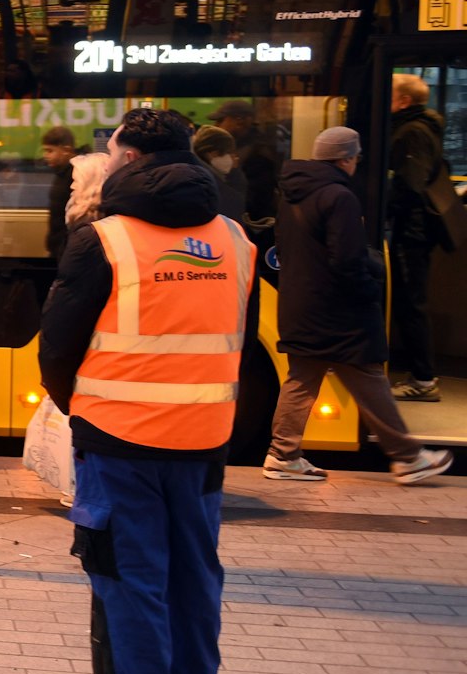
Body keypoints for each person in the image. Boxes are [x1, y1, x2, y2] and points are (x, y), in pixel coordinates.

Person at [38, 107, 258, 674]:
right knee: (196, 572)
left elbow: (57, 347)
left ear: (129, 159)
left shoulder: (104, 240)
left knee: (129, 580)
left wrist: (78, 407)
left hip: (118, 441)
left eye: (111, 153)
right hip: (206, 439)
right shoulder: (234, 237)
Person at [263, 126, 454, 485]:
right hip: (338, 311)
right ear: (347, 158)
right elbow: (347, 260)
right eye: (356, 157)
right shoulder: (339, 197)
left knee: (302, 380)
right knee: (367, 375)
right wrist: (370, 290)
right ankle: (408, 457)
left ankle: (282, 455)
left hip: (300, 304)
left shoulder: (290, 194)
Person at [388, 73, 446, 402]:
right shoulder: (425, 127)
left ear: (403, 101)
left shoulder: (411, 132)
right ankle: (420, 374)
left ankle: (423, 380)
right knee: (412, 302)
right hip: (418, 229)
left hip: (411, 231)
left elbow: (410, 185)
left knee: (411, 304)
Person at [191, 125, 248, 222]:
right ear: (212, 154)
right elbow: (233, 204)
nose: (233, 158)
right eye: (229, 152)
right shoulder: (209, 184)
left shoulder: (216, 176)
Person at [41, 126, 78, 261]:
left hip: (67, 248)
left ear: (66, 150)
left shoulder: (76, 175)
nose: (46, 156)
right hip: (60, 247)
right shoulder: (61, 173)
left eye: (50, 151)